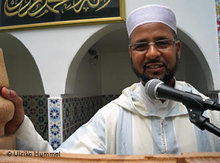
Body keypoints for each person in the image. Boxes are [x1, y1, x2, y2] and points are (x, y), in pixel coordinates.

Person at [2, 4, 220, 154]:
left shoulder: (208, 112)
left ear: (177, 49)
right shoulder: (112, 116)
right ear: (131, 54)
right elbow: (58, 159)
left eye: (162, 43)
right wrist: (21, 125)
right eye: (141, 46)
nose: (152, 53)